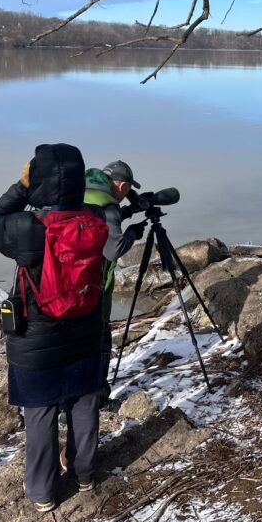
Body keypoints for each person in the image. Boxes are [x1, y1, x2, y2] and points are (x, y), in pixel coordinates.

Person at [0, 144, 108, 512]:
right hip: (84, 331)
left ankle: (42, 492)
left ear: (38, 180)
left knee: (40, 413)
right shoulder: (94, 220)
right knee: (84, 404)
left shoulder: (26, 227)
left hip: (35, 341)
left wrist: (21, 187)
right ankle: (84, 473)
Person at [83, 160, 146, 400]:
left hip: (64, 285)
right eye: (128, 189)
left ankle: (65, 402)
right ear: (120, 185)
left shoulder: (79, 193)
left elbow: (96, 222)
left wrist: (127, 212)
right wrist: (132, 233)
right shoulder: (108, 205)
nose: (128, 194)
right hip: (93, 285)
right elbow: (113, 250)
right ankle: (98, 398)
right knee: (99, 343)